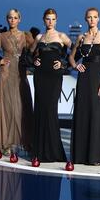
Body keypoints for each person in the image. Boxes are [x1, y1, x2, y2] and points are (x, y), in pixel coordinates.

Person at [0, 9, 34, 155]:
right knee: (7, 109)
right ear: (7, 20)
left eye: (15, 18)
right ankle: (6, 144)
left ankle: (26, 142)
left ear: (20, 19)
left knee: (22, 107)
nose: (12, 20)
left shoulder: (26, 36)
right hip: (6, 73)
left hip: (20, 74)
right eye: (10, 18)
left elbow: (35, 50)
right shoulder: (0, 36)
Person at [68, 7, 100, 166]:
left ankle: (97, 156)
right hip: (84, 79)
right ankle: (82, 156)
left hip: (99, 77)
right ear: (86, 19)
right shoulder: (81, 37)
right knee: (84, 113)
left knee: (98, 115)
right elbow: (72, 57)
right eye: (89, 17)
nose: (92, 20)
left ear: (99, 19)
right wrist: (75, 66)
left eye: (95, 17)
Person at [31, 8, 72, 162]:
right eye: (48, 19)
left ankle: (53, 151)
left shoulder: (62, 36)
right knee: (40, 109)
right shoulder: (39, 37)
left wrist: (63, 63)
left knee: (50, 110)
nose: (50, 21)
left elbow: (75, 50)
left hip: (54, 76)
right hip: (40, 75)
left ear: (56, 20)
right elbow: (29, 53)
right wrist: (34, 61)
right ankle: (39, 151)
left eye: (53, 19)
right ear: (43, 20)